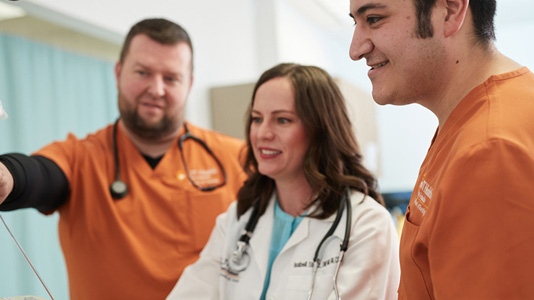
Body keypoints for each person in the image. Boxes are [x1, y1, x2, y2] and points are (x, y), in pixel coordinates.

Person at [0, 18, 247, 300]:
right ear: (118, 73)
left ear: (189, 84)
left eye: (171, 78)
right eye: (142, 72)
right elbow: (39, 175)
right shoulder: (81, 158)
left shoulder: (237, 159)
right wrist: (8, 176)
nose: (156, 89)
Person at [166, 63, 400, 300]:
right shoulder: (239, 219)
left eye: (282, 120)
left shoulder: (366, 225)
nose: (263, 133)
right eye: (257, 119)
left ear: (320, 130)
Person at [349, 0, 534, 299]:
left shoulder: (490, 150)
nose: (355, 49)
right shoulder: (471, 121)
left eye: (374, 19)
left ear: (450, 11)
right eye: (354, 23)